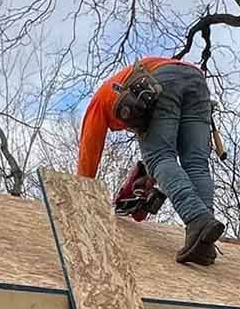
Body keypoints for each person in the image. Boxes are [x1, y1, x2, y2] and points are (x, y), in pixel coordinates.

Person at [76, 56, 225, 265]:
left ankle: (197, 220)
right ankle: (203, 242)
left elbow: (88, 151)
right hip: (197, 81)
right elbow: (166, 139)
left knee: (159, 158)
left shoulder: (99, 103)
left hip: (163, 78)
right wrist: (147, 181)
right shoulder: (121, 91)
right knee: (196, 163)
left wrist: (80, 192)